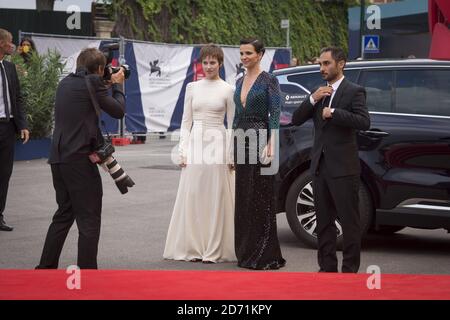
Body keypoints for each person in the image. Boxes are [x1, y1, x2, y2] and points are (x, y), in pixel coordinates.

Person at [36, 48, 125, 269]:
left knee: (64, 214)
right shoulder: (94, 84)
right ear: (100, 69)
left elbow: (86, 95)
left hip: (58, 159)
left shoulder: (64, 83)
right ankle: (87, 272)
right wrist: (118, 84)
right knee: (89, 219)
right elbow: (118, 111)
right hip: (79, 162)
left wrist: (105, 80)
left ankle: (45, 267)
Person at [291, 46, 370, 273]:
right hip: (319, 167)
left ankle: (349, 270)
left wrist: (334, 113)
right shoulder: (319, 92)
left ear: (341, 63)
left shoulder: (354, 91)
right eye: (320, 64)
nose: (322, 68)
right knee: (323, 222)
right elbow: (296, 119)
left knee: (349, 222)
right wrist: (312, 98)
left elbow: (364, 122)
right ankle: (326, 269)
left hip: (344, 168)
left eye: (326, 63)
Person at [163, 44, 236, 263]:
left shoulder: (228, 89)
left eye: (213, 62)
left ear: (220, 64)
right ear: (200, 63)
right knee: (193, 194)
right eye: (205, 62)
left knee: (215, 196)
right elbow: (186, 122)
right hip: (195, 144)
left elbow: (232, 125)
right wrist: (182, 150)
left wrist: (232, 155)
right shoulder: (192, 88)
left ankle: (213, 249)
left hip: (218, 146)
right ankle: (193, 247)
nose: (209, 66)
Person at [232, 38, 286, 270]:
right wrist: (230, 146)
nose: (244, 57)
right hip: (241, 138)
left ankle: (264, 253)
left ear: (260, 54)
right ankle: (244, 252)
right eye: (242, 53)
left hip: (260, 139)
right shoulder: (239, 80)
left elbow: (275, 114)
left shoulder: (270, 80)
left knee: (261, 197)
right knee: (244, 196)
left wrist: (272, 143)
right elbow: (236, 115)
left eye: (249, 53)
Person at [0, 29, 30, 232]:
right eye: (9, 42)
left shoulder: (10, 68)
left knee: (4, 173)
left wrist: (23, 125)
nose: (13, 46)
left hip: (6, 127)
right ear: (1, 43)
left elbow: (18, 98)